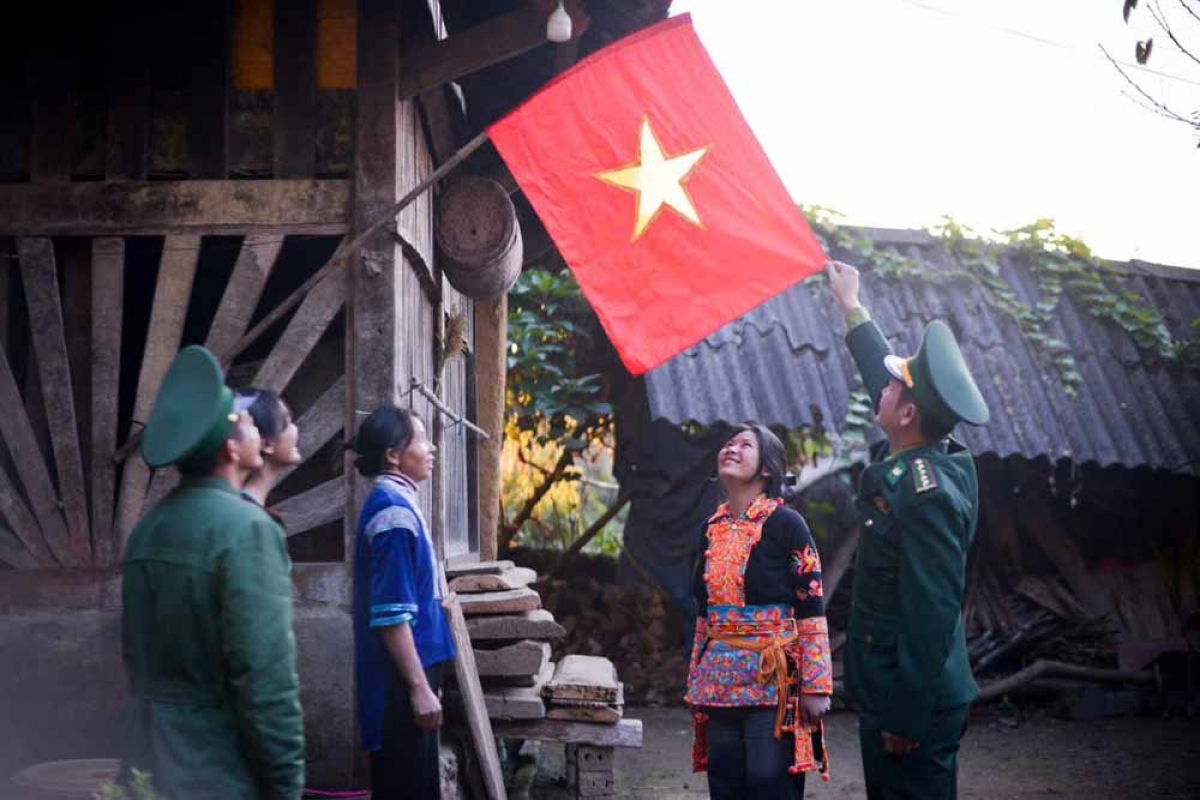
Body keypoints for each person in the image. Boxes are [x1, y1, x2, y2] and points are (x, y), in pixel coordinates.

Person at [826, 260, 990, 800]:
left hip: (913, 701)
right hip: (895, 690)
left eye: (894, 388)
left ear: (907, 413)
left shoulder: (927, 496)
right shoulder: (920, 452)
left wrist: (906, 716)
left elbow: (931, 612)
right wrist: (852, 305)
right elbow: (886, 379)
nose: (884, 386)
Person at [120, 346, 305, 800]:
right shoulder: (248, 532)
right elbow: (266, 680)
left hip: (145, 762)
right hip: (216, 768)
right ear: (231, 448)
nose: (253, 425)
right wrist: (285, 783)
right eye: (243, 422)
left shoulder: (149, 528)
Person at [685, 423, 833, 799]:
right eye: (728, 444)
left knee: (769, 778)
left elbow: (811, 604)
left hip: (773, 681)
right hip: (719, 680)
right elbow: (704, 613)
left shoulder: (787, 525)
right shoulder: (710, 529)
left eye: (744, 445)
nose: (731, 449)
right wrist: (696, 676)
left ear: (767, 469)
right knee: (725, 779)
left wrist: (816, 684)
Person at [348, 404, 456, 800]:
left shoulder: (398, 505)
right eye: (422, 439)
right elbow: (392, 615)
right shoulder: (393, 516)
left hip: (412, 672)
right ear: (393, 455)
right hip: (399, 681)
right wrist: (419, 689)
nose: (431, 449)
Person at [236, 388, 303, 511]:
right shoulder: (252, 517)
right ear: (267, 445)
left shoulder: (237, 506)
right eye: (287, 423)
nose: (295, 429)